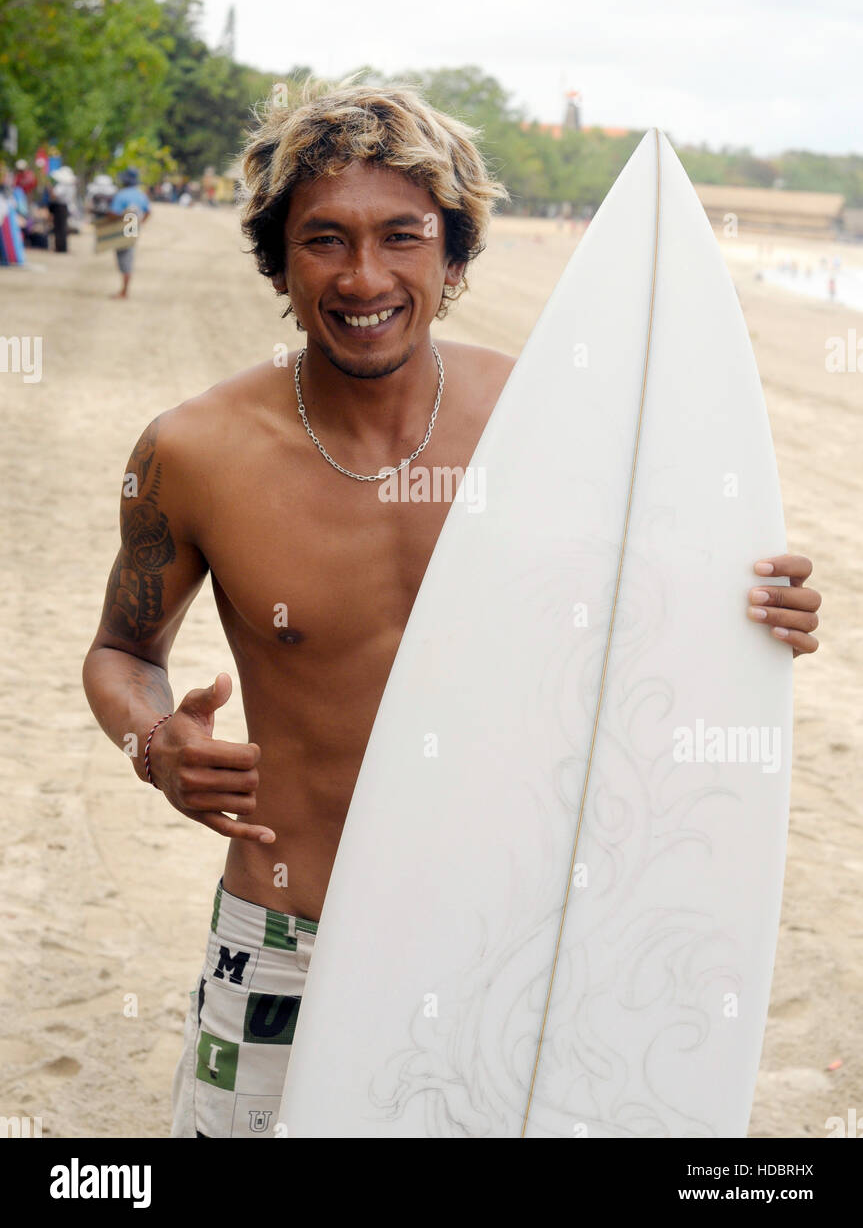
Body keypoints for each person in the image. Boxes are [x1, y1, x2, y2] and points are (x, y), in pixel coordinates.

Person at [81, 83, 823, 1139]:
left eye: (402, 237)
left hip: (502, 933)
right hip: (288, 926)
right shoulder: (192, 451)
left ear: (454, 258)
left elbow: (657, 613)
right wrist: (153, 741)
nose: (363, 276)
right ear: (279, 264)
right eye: (323, 240)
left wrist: (759, 617)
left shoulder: (549, 425)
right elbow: (119, 648)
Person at [106, 167, 151, 299]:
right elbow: (148, 212)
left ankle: (124, 292)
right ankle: (124, 290)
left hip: (122, 230)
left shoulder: (121, 195)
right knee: (128, 256)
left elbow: (114, 213)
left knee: (124, 259)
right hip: (132, 229)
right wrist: (140, 223)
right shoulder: (141, 195)